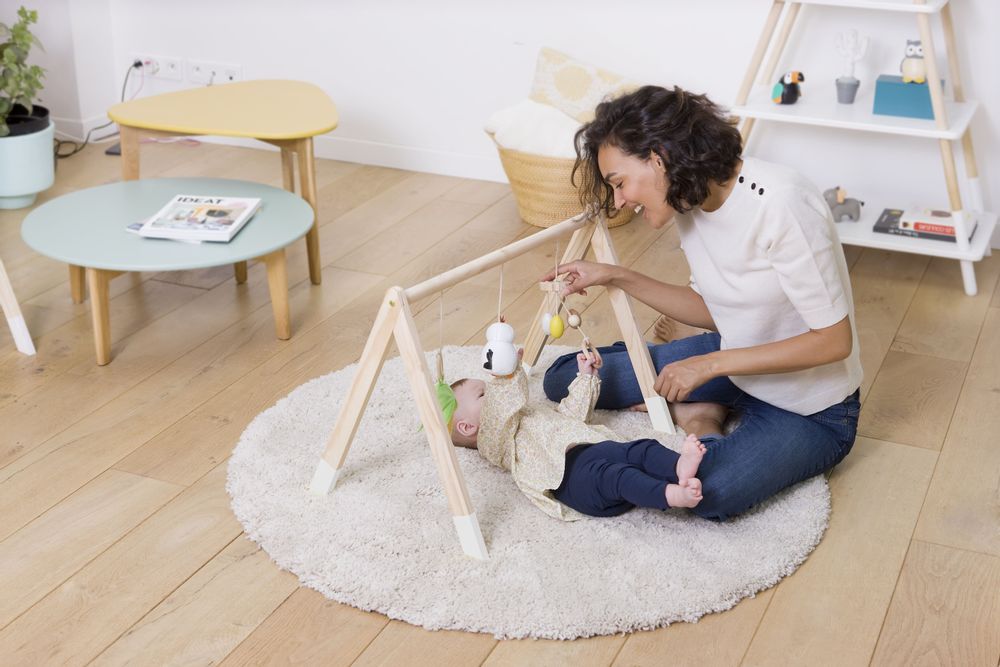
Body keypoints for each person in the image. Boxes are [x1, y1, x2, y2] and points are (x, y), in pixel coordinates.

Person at [541, 85, 863, 521]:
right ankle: (705, 401)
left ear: (658, 158)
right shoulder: (689, 202)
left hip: (809, 411)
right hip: (734, 365)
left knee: (706, 490)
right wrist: (614, 275)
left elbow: (833, 341)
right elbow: (714, 308)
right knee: (565, 379)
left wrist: (709, 366)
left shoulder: (782, 204)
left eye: (619, 183)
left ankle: (701, 419)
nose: (619, 201)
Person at [442, 350, 708, 520]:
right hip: (571, 479)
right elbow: (504, 403)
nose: (493, 390)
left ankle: (678, 465)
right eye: (483, 393)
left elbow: (571, 416)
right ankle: (670, 495)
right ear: (468, 427)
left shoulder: (531, 412)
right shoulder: (493, 441)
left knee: (641, 448)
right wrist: (508, 376)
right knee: (619, 477)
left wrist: (586, 379)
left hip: (592, 447)